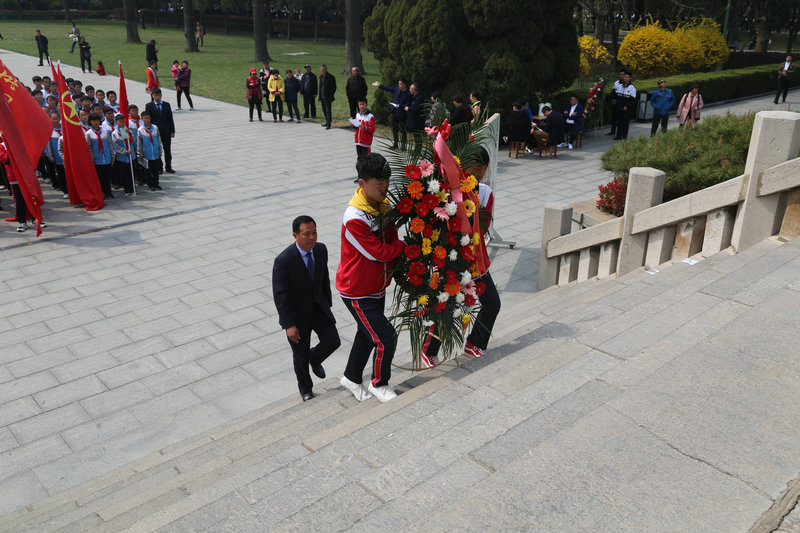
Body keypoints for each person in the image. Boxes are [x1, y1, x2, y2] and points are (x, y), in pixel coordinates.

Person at [420, 145, 500, 364]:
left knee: (492, 302)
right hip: (451, 258)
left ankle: (475, 343)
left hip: (475, 258)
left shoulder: (485, 193)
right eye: (473, 167)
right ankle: (428, 350)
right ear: (463, 167)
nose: (478, 173)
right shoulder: (448, 191)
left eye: (482, 168)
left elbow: (482, 227)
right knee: (447, 304)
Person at [336, 153, 406, 403]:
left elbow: (392, 239)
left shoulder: (382, 206)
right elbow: (378, 252)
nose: (385, 189)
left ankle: (351, 377)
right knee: (386, 337)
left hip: (376, 286)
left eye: (387, 183)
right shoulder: (354, 218)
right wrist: (403, 248)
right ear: (361, 183)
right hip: (357, 290)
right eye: (379, 185)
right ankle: (379, 383)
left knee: (367, 334)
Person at [272, 215, 341, 402]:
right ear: (295, 235)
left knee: (333, 341)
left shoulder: (320, 250)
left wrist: (327, 303)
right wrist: (288, 324)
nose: (312, 237)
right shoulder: (283, 261)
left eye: (315, 232)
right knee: (300, 356)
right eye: (307, 234)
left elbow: (324, 277)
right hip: (297, 316)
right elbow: (281, 296)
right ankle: (306, 389)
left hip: (318, 308)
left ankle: (315, 357)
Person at [371, 78, 410, 148]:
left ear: (405, 85)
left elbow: (408, 104)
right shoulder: (397, 89)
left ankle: (404, 145)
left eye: (400, 84)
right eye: (399, 83)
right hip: (395, 111)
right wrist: (380, 85)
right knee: (395, 128)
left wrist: (400, 105)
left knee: (403, 129)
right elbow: (389, 89)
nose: (399, 85)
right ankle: (395, 143)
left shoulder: (408, 93)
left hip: (402, 113)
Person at [145, 88, 175, 173]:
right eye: (155, 95)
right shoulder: (149, 105)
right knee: (157, 149)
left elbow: (170, 118)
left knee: (167, 150)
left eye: (158, 95)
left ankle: (168, 166)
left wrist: (172, 130)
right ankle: (159, 168)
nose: (157, 97)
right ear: (152, 96)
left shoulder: (166, 105)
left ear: (161, 95)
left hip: (166, 130)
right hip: (155, 131)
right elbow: (148, 119)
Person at [85, 112, 114, 199]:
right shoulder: (89, 133)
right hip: (97, 159)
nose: (96, 122)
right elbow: (89, 147)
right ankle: (101, 193)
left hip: (107, 157)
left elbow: (109, 143)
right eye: (93, 120)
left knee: (107, 177)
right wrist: (92, 158)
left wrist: (112, 154)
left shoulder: (104, 131)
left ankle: (108, 192)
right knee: (99, 178)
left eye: (97, 120)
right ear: (90, 121)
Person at [137, 110, 163, 190]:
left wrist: (160, 150)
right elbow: (139, 143)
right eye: (144, 118)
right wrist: (140, 153)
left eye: (148, 118)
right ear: (142, 119)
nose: (146, 120)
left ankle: (156, 183)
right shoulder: (140, 130)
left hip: (155, 153)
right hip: (146, 154)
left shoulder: (155, 128)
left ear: (150, 118)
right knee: (148, 171)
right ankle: (150, 185)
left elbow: (159, 140)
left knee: (156, 170)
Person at [112, 114, 136, 196]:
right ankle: (127, 190)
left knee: (131, 173)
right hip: (122, 157)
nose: (122, 123)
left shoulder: (127, 130)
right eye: (120, 122)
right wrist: (125, 151)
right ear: (116, 122)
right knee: (124, 175)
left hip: (131, 156)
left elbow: (132, 141)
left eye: (123, 121)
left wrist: (129, 134)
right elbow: (116, 146)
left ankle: (133, 189)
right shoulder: (115, 133)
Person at [613, 71, 636, 140]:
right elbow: (617, 96)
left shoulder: (632, 87)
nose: (625, 78)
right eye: (624, 77)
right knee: (619, 122)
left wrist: (627, 106)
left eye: (627, 77)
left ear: (630, 78)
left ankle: (624, 136)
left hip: (626, 109)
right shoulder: (620, 86)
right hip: (619, 107)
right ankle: (618, 136)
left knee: (625, 123)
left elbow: (632, 99)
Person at [606, 69, 626, 136]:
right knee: (614, 117)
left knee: (621, 119)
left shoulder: (627, 84)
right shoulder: (616, 83)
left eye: (622, 74)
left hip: (621, 103)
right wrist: (613, 99)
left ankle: (621, 133)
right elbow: (613, 92)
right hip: (615, 103)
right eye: (620, 74)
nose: (621, 76)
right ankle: (613, 131)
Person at [318, 64, 336, 129]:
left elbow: (334, 87)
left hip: (328, 97)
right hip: (322, 97)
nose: (323, 70)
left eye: (324, 69)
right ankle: (326, 121)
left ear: (326, 69)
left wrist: (330, 94)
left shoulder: (331, 77)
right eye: (322, 69)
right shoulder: (320, 77)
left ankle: (329, 124)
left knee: (328, 111)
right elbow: (320, 87)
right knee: (324, 110)